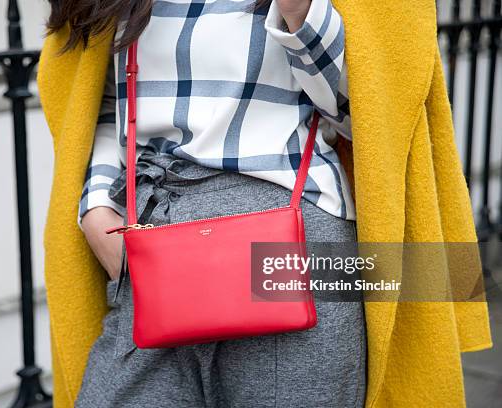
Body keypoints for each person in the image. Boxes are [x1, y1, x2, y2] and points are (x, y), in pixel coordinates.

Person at [38, 1, 493, 407]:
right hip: (155, 249)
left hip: (292, 249)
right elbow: (100, 105)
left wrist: (301, 13)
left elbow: (379, 122)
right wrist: (97, 206)